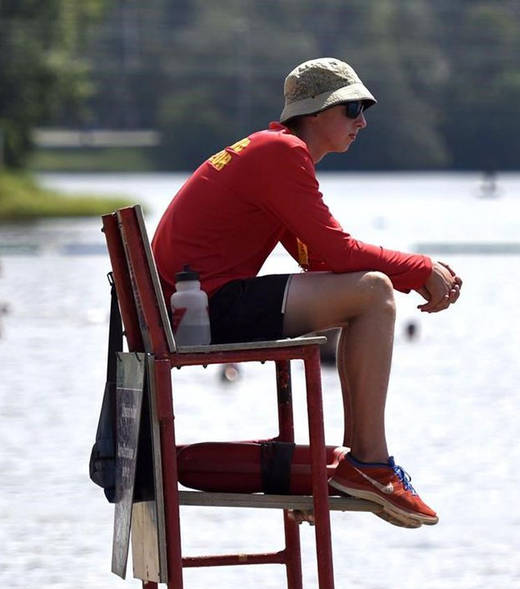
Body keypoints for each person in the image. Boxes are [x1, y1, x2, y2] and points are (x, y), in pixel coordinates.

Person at [152, 57, 462, 528]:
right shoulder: (281, 152)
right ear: (315, 113)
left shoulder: (271, 151)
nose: (362, 121)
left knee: (368, 292)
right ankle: (370, 463)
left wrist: (402, 271)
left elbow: (319, 258)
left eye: (365, 110)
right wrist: (419, 267)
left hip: (189, 307)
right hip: (200, 311)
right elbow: (338, 253)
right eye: (352, 108)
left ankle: (360, 466)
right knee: (374, 292)